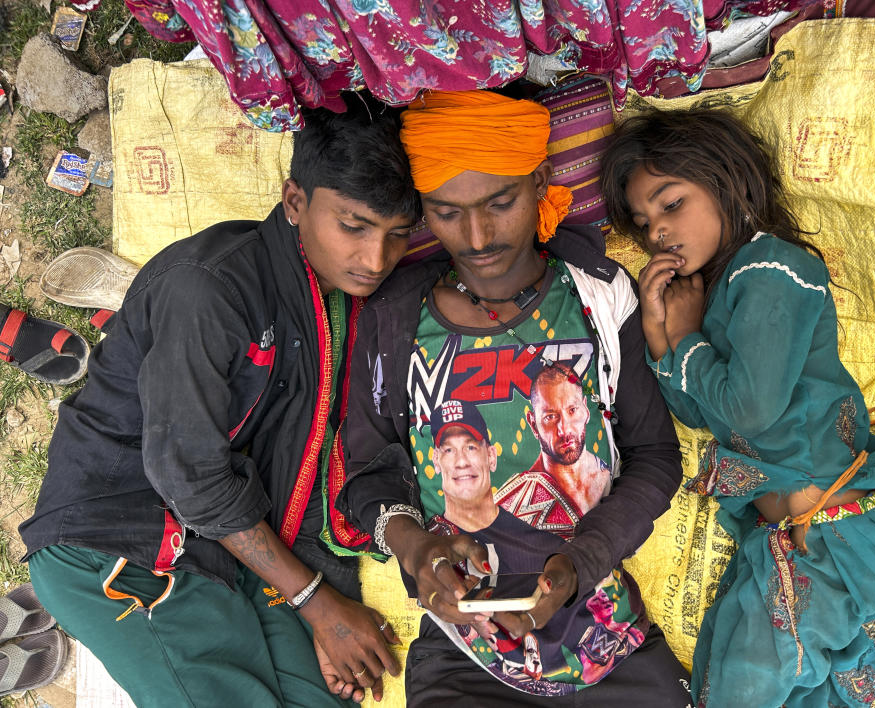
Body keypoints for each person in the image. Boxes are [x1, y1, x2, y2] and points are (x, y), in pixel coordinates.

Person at [18, 94, 421, 707]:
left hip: (227, 551)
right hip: (121, 536)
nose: (375, 260)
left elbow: (305, 463)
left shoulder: (337, 299)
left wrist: (321, 600)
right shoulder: (208, 290)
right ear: (294, 202)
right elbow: (188, 473)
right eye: (353, 226)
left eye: (397, 236)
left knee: (325, 696)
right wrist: (314, 603)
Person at [337, 89, 692, 705]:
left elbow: (656, 457)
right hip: (462, 656)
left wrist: (581, 562)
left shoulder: (600, 296)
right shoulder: (395, 319)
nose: (476, 236)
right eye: (446, 212)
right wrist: (418, 550)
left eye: (500, 202)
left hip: (606, 641)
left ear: (540, 182)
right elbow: (369, 474)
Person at [600, 108, 875, 706]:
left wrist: (686, 338)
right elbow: (698, 413)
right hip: (791, 550)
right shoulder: (718, 294)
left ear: (727, 182)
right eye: (642, 223)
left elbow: (749, 411)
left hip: (837, 538)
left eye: (671, 204)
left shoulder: (774, 269)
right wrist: (664, 338)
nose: (657, 233)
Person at [496, 363, 611, 534]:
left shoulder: (609, 476)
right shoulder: (515, 502)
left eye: (572, 410)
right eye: (550, 417)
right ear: (533, 424)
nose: (564, 429)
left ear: (586, 410)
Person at [430, 399, 500, 531]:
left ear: (491, 456)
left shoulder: (529, 538)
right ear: (436, 461)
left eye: (471, 447)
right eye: (449, 450)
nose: (461, 462)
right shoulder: (426, 539)